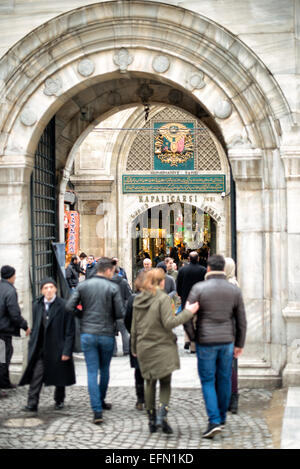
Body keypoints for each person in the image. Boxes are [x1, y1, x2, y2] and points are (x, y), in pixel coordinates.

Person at [131, 268, 199, 434]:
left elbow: (134, 328)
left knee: (149, 381)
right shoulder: (162, 299)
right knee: (165, 382)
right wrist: (188, 312)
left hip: (144, 346)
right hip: (162, 345)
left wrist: (134, 348)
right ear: (161, 282)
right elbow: (169, 323)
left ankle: (151, 418)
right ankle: (162, 414)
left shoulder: (138, 299)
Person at [186, 254, 247, 439]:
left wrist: (193, 337)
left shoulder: (199, 288)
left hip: (206, 341)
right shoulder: (234, 290)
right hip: (227, 341)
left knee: (207, 380)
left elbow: (187, 316)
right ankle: (220, 418)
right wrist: (239, 343)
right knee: (224, 379)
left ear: (209, 269)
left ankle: (214, 420)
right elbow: (241, 320)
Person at [66, 257, 124, 425]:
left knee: (92, 371)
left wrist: (82, 316)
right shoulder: (112, 287)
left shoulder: (83, 286)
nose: (113, 274)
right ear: (107, 270)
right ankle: (101, 400)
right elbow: (119, 313)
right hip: (106, 333)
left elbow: (70, 306)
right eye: (112, 271)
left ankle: (97, 409)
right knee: (104, 369)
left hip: (88, 333)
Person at [19, 278, 76, 412]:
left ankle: (59, 400)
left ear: (55, 289)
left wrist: (67, 351)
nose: (49, 290)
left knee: (59, 375)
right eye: (46, 288)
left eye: (51, 287)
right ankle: (32, 403)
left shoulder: (64, 306)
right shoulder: (37, 305)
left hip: (58, 346)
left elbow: (70, 331)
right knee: (36, 376)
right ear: (42, 291)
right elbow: (36, 325)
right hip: (41, 348)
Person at [0, 266, 30, 396]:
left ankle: (5, 382)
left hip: (3, 329)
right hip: (3, 330)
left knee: (5, 355)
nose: (15, 277)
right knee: (3, 359)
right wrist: (24, 326)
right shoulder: (10, 291)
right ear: (11, 276)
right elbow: (14, 313)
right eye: (14, 275)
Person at [176, 251, 206, 352]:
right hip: (199, 298)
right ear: (198, 259)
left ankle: (187, 339)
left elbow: (178, 285)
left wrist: (180, 295)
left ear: (189, 259)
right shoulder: (203, 270)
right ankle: (193, 346)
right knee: (196, 321)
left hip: (186, 298)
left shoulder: (183, 270)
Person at [124, 271, 145, 411]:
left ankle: (140, 399)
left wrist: (132, 332)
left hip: (137, 339)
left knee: (139, 371)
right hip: (154, 340)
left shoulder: (132, 299)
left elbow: (127, 319)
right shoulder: (158, 297)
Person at [224, 257, 240, 414]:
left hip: (228, 330)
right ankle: (231, 397)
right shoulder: (234, 283)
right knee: (229, 365)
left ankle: (232, 397)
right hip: (230, 330)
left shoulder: (230, 285)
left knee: (227, 366)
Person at [112, 267, 131, 356]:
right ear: (119, 272)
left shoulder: (107, 282)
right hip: (122, 310)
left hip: (111, 311)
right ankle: (126, 350)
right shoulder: (124, 282)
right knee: (124, 332)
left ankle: (113, 351)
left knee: (111, 333)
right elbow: (128, 297)